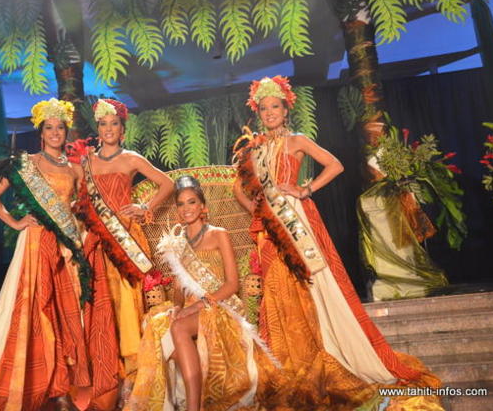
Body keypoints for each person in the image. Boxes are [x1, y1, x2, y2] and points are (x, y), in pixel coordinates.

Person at [232, 76, 443, 409]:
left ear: (286, 110)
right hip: (269, 227)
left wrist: (304, 190)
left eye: (275, 106)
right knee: (276, 285)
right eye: (264, 108)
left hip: (295, 220)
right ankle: (287, 355)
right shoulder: (253, 148)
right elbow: (237, 188)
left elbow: (336, 165)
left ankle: (321, 346)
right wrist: (256, 210)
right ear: (258, 112)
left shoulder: (297, 140)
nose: (270, 112)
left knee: (308, 282)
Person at [0, 98, 92, 411]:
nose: (55, 133)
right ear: (41, 133)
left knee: (65, 312)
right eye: (49, 128)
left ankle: (62, 385)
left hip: (65, 247)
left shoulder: (75, 169)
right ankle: (37, 383)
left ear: (66, 132)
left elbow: (80, 209)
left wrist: (79, 237)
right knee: (36, 309)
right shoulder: (27, 164)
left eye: (60, 128)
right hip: (36, 245)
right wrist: (15, 221)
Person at [125, 176, 290, 411]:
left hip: (218, 306)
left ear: (202, 206)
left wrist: (197, 306)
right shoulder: (178, 243)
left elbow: (232, 284)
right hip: (190, 309)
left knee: (178, 328)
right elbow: (178, 289)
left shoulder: (218, 234)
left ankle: (193, 407)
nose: (186, 208)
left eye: (191, 202)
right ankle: (192, 389)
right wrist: (178, 306)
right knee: (155, 323)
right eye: (181, 204)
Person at [71, 98, 174, 410]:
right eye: (103, 124)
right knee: (102, 305)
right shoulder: (86, 162)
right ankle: (107, 372)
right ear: (98, 129)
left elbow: (166, 184)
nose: (108, 129)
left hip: (126, 238)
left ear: (122, 129)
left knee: (129, 304)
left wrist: (145, 207)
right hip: (97, 242)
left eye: (114, 124)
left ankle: (132, 378)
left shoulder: (131, 159)